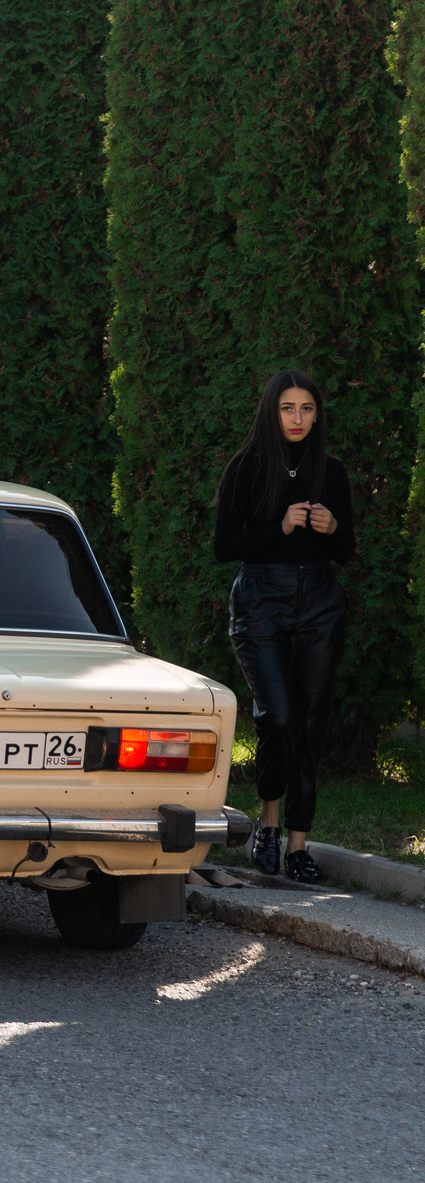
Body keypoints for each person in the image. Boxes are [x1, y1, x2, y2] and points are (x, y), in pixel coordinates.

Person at [216, 369, 352, 887]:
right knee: (279, 716)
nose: (298, 418)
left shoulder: (330, 471)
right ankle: (267, 820)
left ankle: (297, 843)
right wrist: (281, 526)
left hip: (320, 601)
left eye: (307, 409)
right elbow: (224, 546)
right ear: (271, 411)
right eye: (288, 408)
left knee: (311, 721)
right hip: (260, 601)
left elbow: (346, 550)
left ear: (317, 415)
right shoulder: (247, 467)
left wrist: (333, 528)